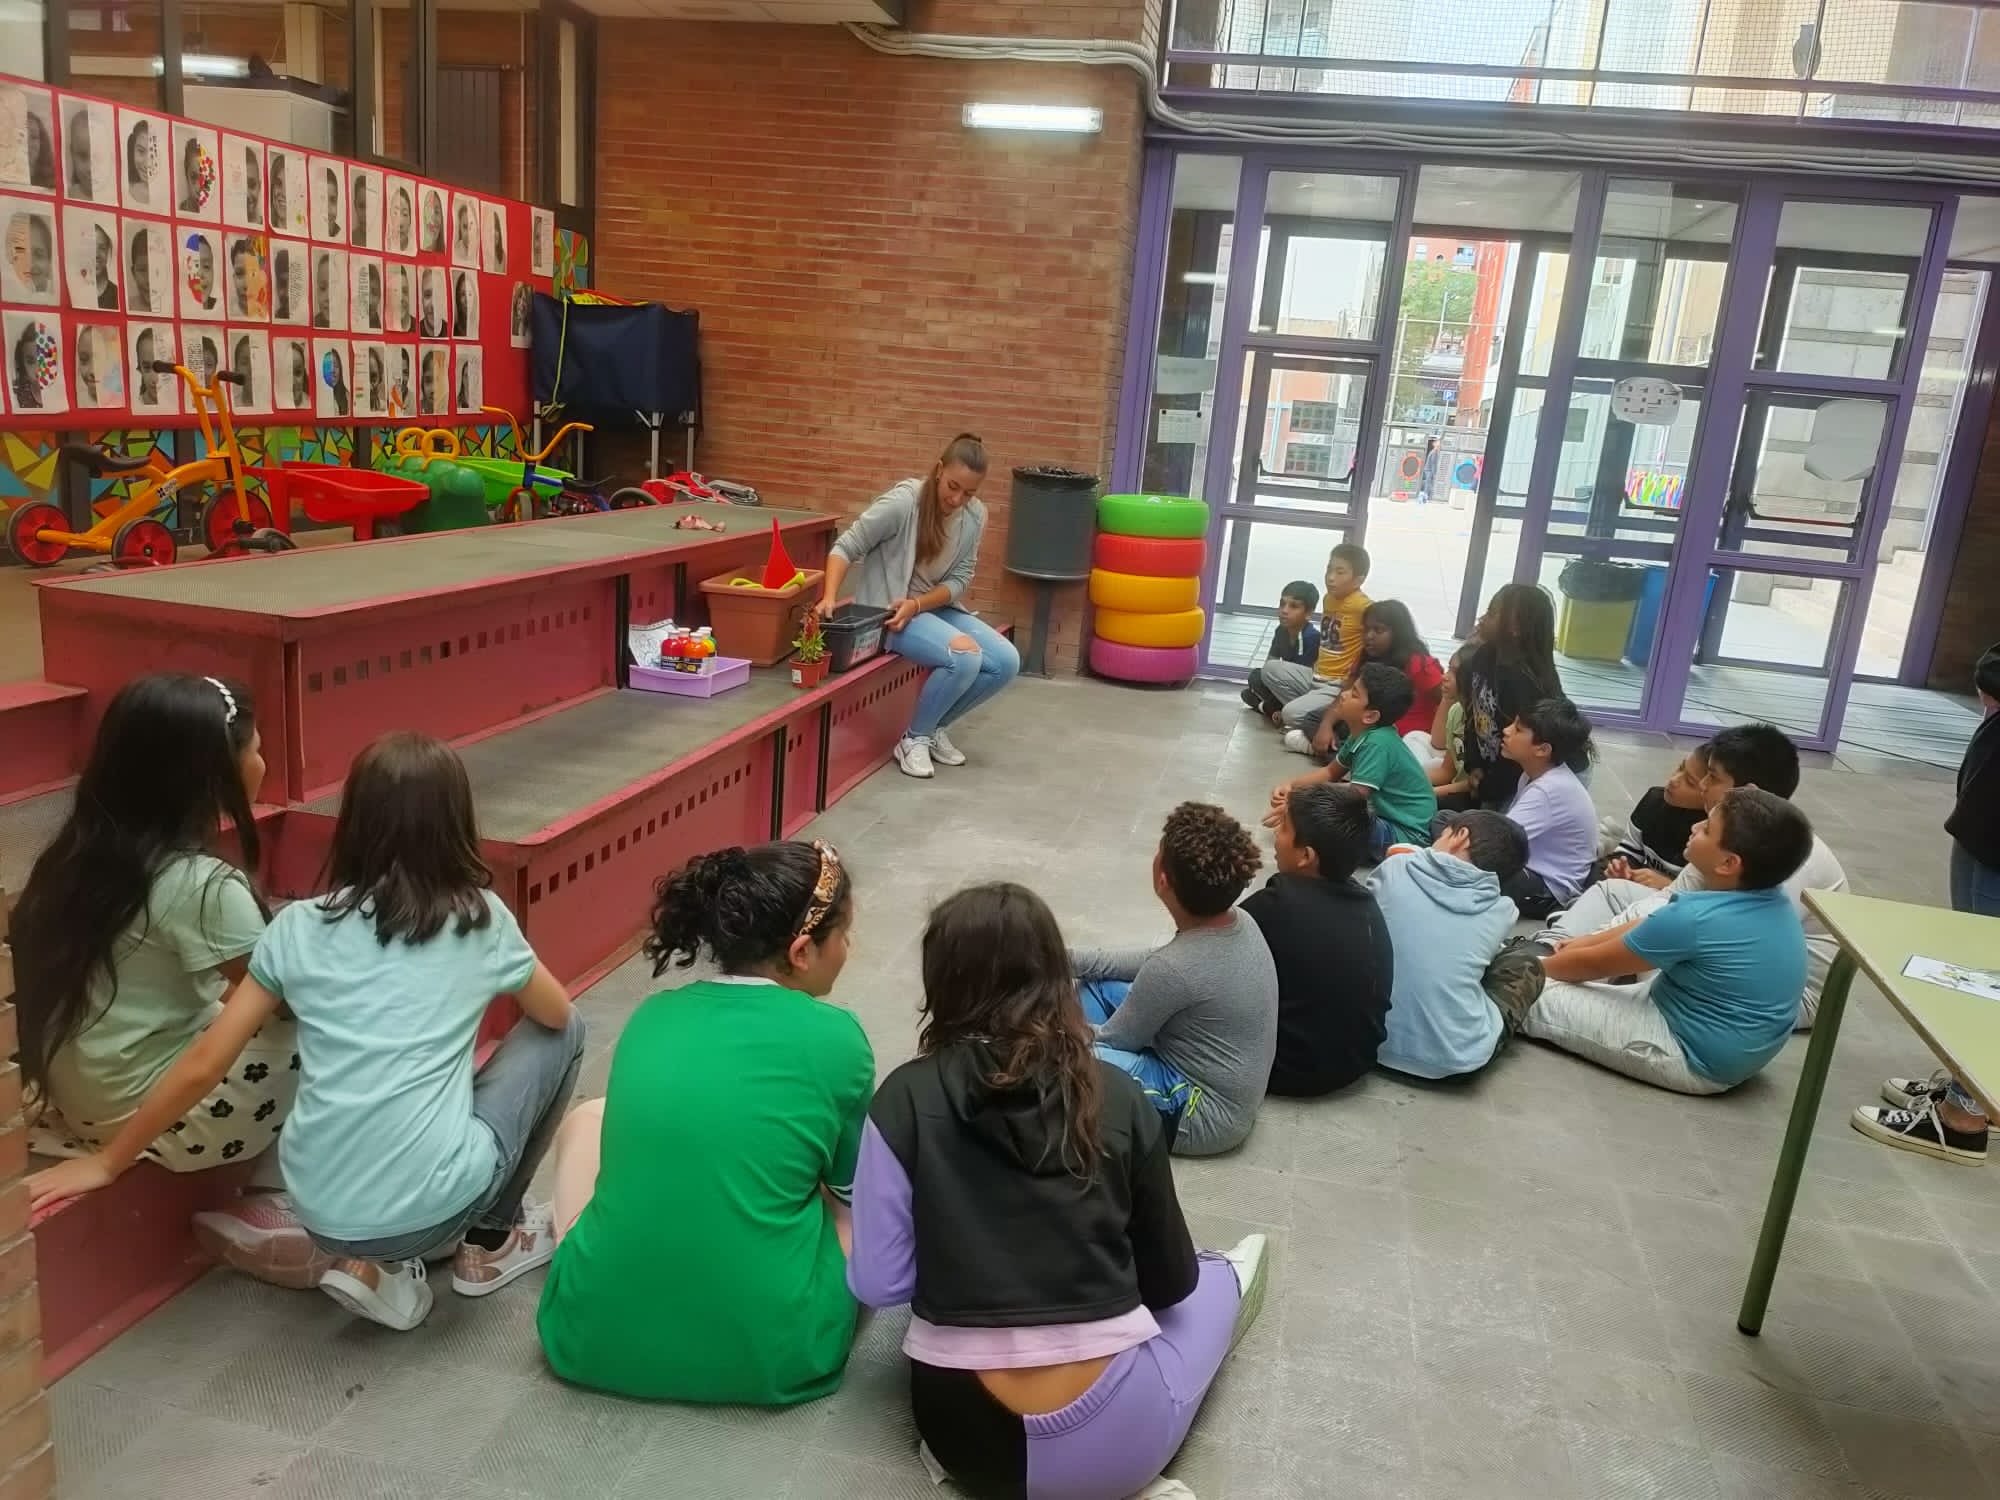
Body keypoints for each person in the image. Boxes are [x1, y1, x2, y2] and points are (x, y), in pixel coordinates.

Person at [30, 731, 586, 1332]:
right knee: (566, 1033)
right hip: (428, 1206)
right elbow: (554, 1014)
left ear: (353, 824)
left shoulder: (296, 926)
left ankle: (376, 1263)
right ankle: (490, 1239)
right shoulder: (480, 919)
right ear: (455, 824)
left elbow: (206, 1062)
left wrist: (109, 1161)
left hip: (318, 1210)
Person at [849, 882, 1270, 1500]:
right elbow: (1169, 1283)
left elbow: (879, 1283)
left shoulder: (900, 1099)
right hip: (1116, 1445)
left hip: (961, 1438)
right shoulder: (1119, 1096)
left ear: (940, 980)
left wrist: (959, 1244)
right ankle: (1232, 1278)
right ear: (1054, 975)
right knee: (1209, 1285)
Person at [540, 841, 873, 1403]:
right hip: (779, 1357)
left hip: (585, 1340)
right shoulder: (840, 1038)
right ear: (801, 951)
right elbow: (850, 1192)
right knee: (863, 1201)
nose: (849, 948)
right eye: (843, 933)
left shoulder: (653, 1014)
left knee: (590, 1119)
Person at [16, 676, 317, 1286]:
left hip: (83, 1095)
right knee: (328, 1023)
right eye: (255, 748)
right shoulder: (203, 886)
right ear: (211, 776)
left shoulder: (74, 855)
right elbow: (286, 1008)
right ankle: (283, 1196)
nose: (263, 762)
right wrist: (111, 1161)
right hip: (155, 1117)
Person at [1544, 722, 1846, 1028]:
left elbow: (1722, 940)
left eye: (1712, 777)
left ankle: (1564, 978)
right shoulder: (1733, 831)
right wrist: (1582, 943)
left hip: (1777, 997)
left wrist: (1588, 955)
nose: (1702, 784)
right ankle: (1551, 948)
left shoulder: (1784, 855)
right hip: (1717, 948)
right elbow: (1667, 902)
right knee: (1614, 891)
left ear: (1748, 791)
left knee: (1664, 948)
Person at [1515, 789, 1813, 1095]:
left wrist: (1526, 968)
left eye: (1706, 829)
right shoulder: (1768, 897)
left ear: (1728, 863)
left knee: (1520, 989)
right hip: (1723, 1037)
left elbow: (1590, 965)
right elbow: (1654, 924)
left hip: (1689, 1052)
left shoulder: (1697, 918)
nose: (1694, 827)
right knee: (1636, 920)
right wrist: (1584, 941)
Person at [1851, 642, 2000, 1164]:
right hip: (1988, 822)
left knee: (1987, 973)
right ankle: (1979, 1090)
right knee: (1982, 965)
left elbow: (1994, 669)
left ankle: (1964, 1116)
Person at [1072, 803, 1276, 1156]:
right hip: (1216, 1082)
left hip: (1203, 1113)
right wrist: (1061, 957)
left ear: (1162, 878)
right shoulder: (1240, 921)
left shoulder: (1173, 969)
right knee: (1097, 983)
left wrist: (1050, 1028)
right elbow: (1150, 962)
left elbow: (1117, 1039)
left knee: (1059, 1057)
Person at [819, 433, 1019, 780]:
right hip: (888, 613)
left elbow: (960, 579)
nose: (957, 499)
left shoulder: (975, 516)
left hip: (929, 608)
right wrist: (829, 597)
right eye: (953, 486)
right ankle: (914, 740)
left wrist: (918, 604)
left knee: (1006, 661)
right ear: (939, 470)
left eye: (969, 493)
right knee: (964, 656)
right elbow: (846, 546)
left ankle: (935, 727)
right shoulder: (904, 502)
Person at [1244, 783, 1391, 1097]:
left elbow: (1202, 947)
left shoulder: (1278, 901)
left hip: (1282, 1069)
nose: (1276, 836)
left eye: (1284, 828)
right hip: (1354, 1065)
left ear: (1306, 856)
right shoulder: (1366, 903)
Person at [1372, 812, 1529, 1080]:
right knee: (1525, 962)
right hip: (1453, 1060)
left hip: (1366, 1039)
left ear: (1461, 836)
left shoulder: (1394, 868)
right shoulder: (1503, 910)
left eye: (1443, 833)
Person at [1268, 663, 1438, 859]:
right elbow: (1330, 772)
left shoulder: (1377, 743)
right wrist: (1291, 786)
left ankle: (1401, 852)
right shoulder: (1362, 733)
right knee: (1323, 812)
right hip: (1385, 818)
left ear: (1370, 716)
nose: (1344, 695)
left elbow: (1354, 796)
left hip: (1403, 832)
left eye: (1354, 694)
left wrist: (1301, 801)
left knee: (1328, 820)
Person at [1455, 582, 1562, 811]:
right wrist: (1474, 764)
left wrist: (1490, 786)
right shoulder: (1483, 657)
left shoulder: (1525, 683)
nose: (1482, 618)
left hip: (1523, 778)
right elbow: (1473, 714)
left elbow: (1527, 748)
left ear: (1515, 627)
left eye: (1492, 613)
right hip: (1492, 774)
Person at [1260, 543, 1373, 753]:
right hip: (1315, 676)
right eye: (1329, 569)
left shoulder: (1364, 606)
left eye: (1340, 572)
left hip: (1337, 684)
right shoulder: (1329, 599)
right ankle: (1314, 717)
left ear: (1359, 580)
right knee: (1269, 670)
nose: (1331, 577)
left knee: (1290, 713)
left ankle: (1319, 723)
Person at [1496, 697, 1597, 920]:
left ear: (1542, 749)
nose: (1506, 730)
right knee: (1448, 821)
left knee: (1475, 873)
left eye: (1518, 729)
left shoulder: (1548, 790)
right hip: (1531, 864)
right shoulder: (1533, 775)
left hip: (1549, 888)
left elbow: (1500, 841)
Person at [1599, 743, 1709, 879]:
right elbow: (1630, 851)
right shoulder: (1654, 800)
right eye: (1680, 768)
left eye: (1690, 782)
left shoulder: (1714, 835)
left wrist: (1668, 885)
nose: (1674, 780)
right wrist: (1623, 868)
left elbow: (1707, 889)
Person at [1360, 599, 1444, 738]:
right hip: (1370, 730)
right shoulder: (1365, 657)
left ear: (1398, 633)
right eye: (1366, 629)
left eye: (1378, 630)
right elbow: (1346, 694)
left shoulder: (1419, 665)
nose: (1369, 636)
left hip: (1410, 740)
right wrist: (1327, 725)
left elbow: (1448, 702)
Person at [1240, 579, 1321, 720]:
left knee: (1251, 694)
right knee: (1255, 678)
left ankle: (1272, 709)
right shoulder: (1281, 630)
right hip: (1282, 686)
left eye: (1293, 606)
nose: (1284, 610)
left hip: (1302, 693)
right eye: (1282, 604)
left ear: (1308, 613)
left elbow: (1303, 683)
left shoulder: (1312, 638)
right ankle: (1273, 710)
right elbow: (1269, 665)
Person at [66, 104, 94, 199]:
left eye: (97, 157)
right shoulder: (69, 195)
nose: (90, 168)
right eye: (83, 156)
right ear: (72, 153)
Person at [90, 225, 117, 310]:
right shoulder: (74, 292)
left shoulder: (117, 294)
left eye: (102, 248)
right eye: (90, 247)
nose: (96, 254)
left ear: (108, 252)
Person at [177, 135, 205, 214]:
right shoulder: (181, 210)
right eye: (194, 177)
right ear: (186, 175)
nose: (199, 185)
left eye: (204, 177)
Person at [1416, 435, 1441, 505]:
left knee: (1428, 483)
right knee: (1428, 484)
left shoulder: (1433, 451)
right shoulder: (1435, 452)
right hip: (1429, 470)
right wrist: (1434, 473)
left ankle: (1425, 497)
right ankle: (1425, 497)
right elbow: (1433, 463)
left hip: (1428, 469)